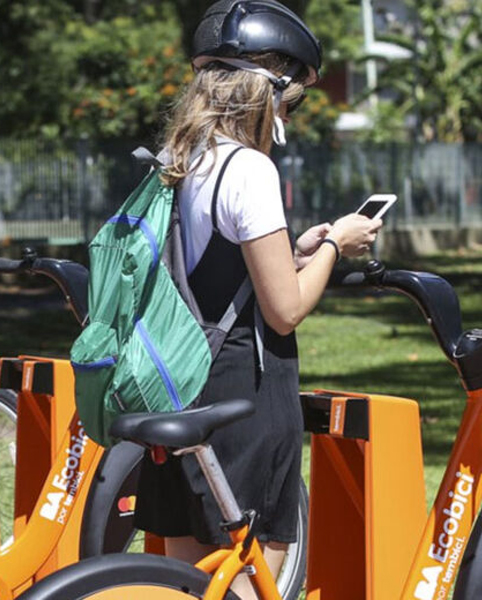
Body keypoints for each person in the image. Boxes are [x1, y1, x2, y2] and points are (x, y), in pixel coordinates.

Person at [133, 1, 383, 598]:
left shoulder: (176, 160)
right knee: (248, 578)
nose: (289, 114)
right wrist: (336, 246)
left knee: (189, 580)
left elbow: (206, 269)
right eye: (290, 98)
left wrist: (295, 249)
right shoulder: (248, 169)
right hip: (242, 392)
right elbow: (286, 309)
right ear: (265, 91)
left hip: (177, 381)